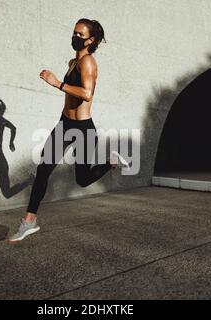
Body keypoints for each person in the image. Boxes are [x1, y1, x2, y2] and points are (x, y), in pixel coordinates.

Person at [8, 19, 130, 242]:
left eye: (79, 34)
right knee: (44, 169)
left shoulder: (89, 63)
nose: (74, 37)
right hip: (65, 123)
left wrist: (57, 83)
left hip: (83, 128)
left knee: (82, 179)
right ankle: (29, 221)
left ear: (91, 40)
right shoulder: (73, 62)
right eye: (73, 32)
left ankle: (110, 162)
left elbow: (87, 94)